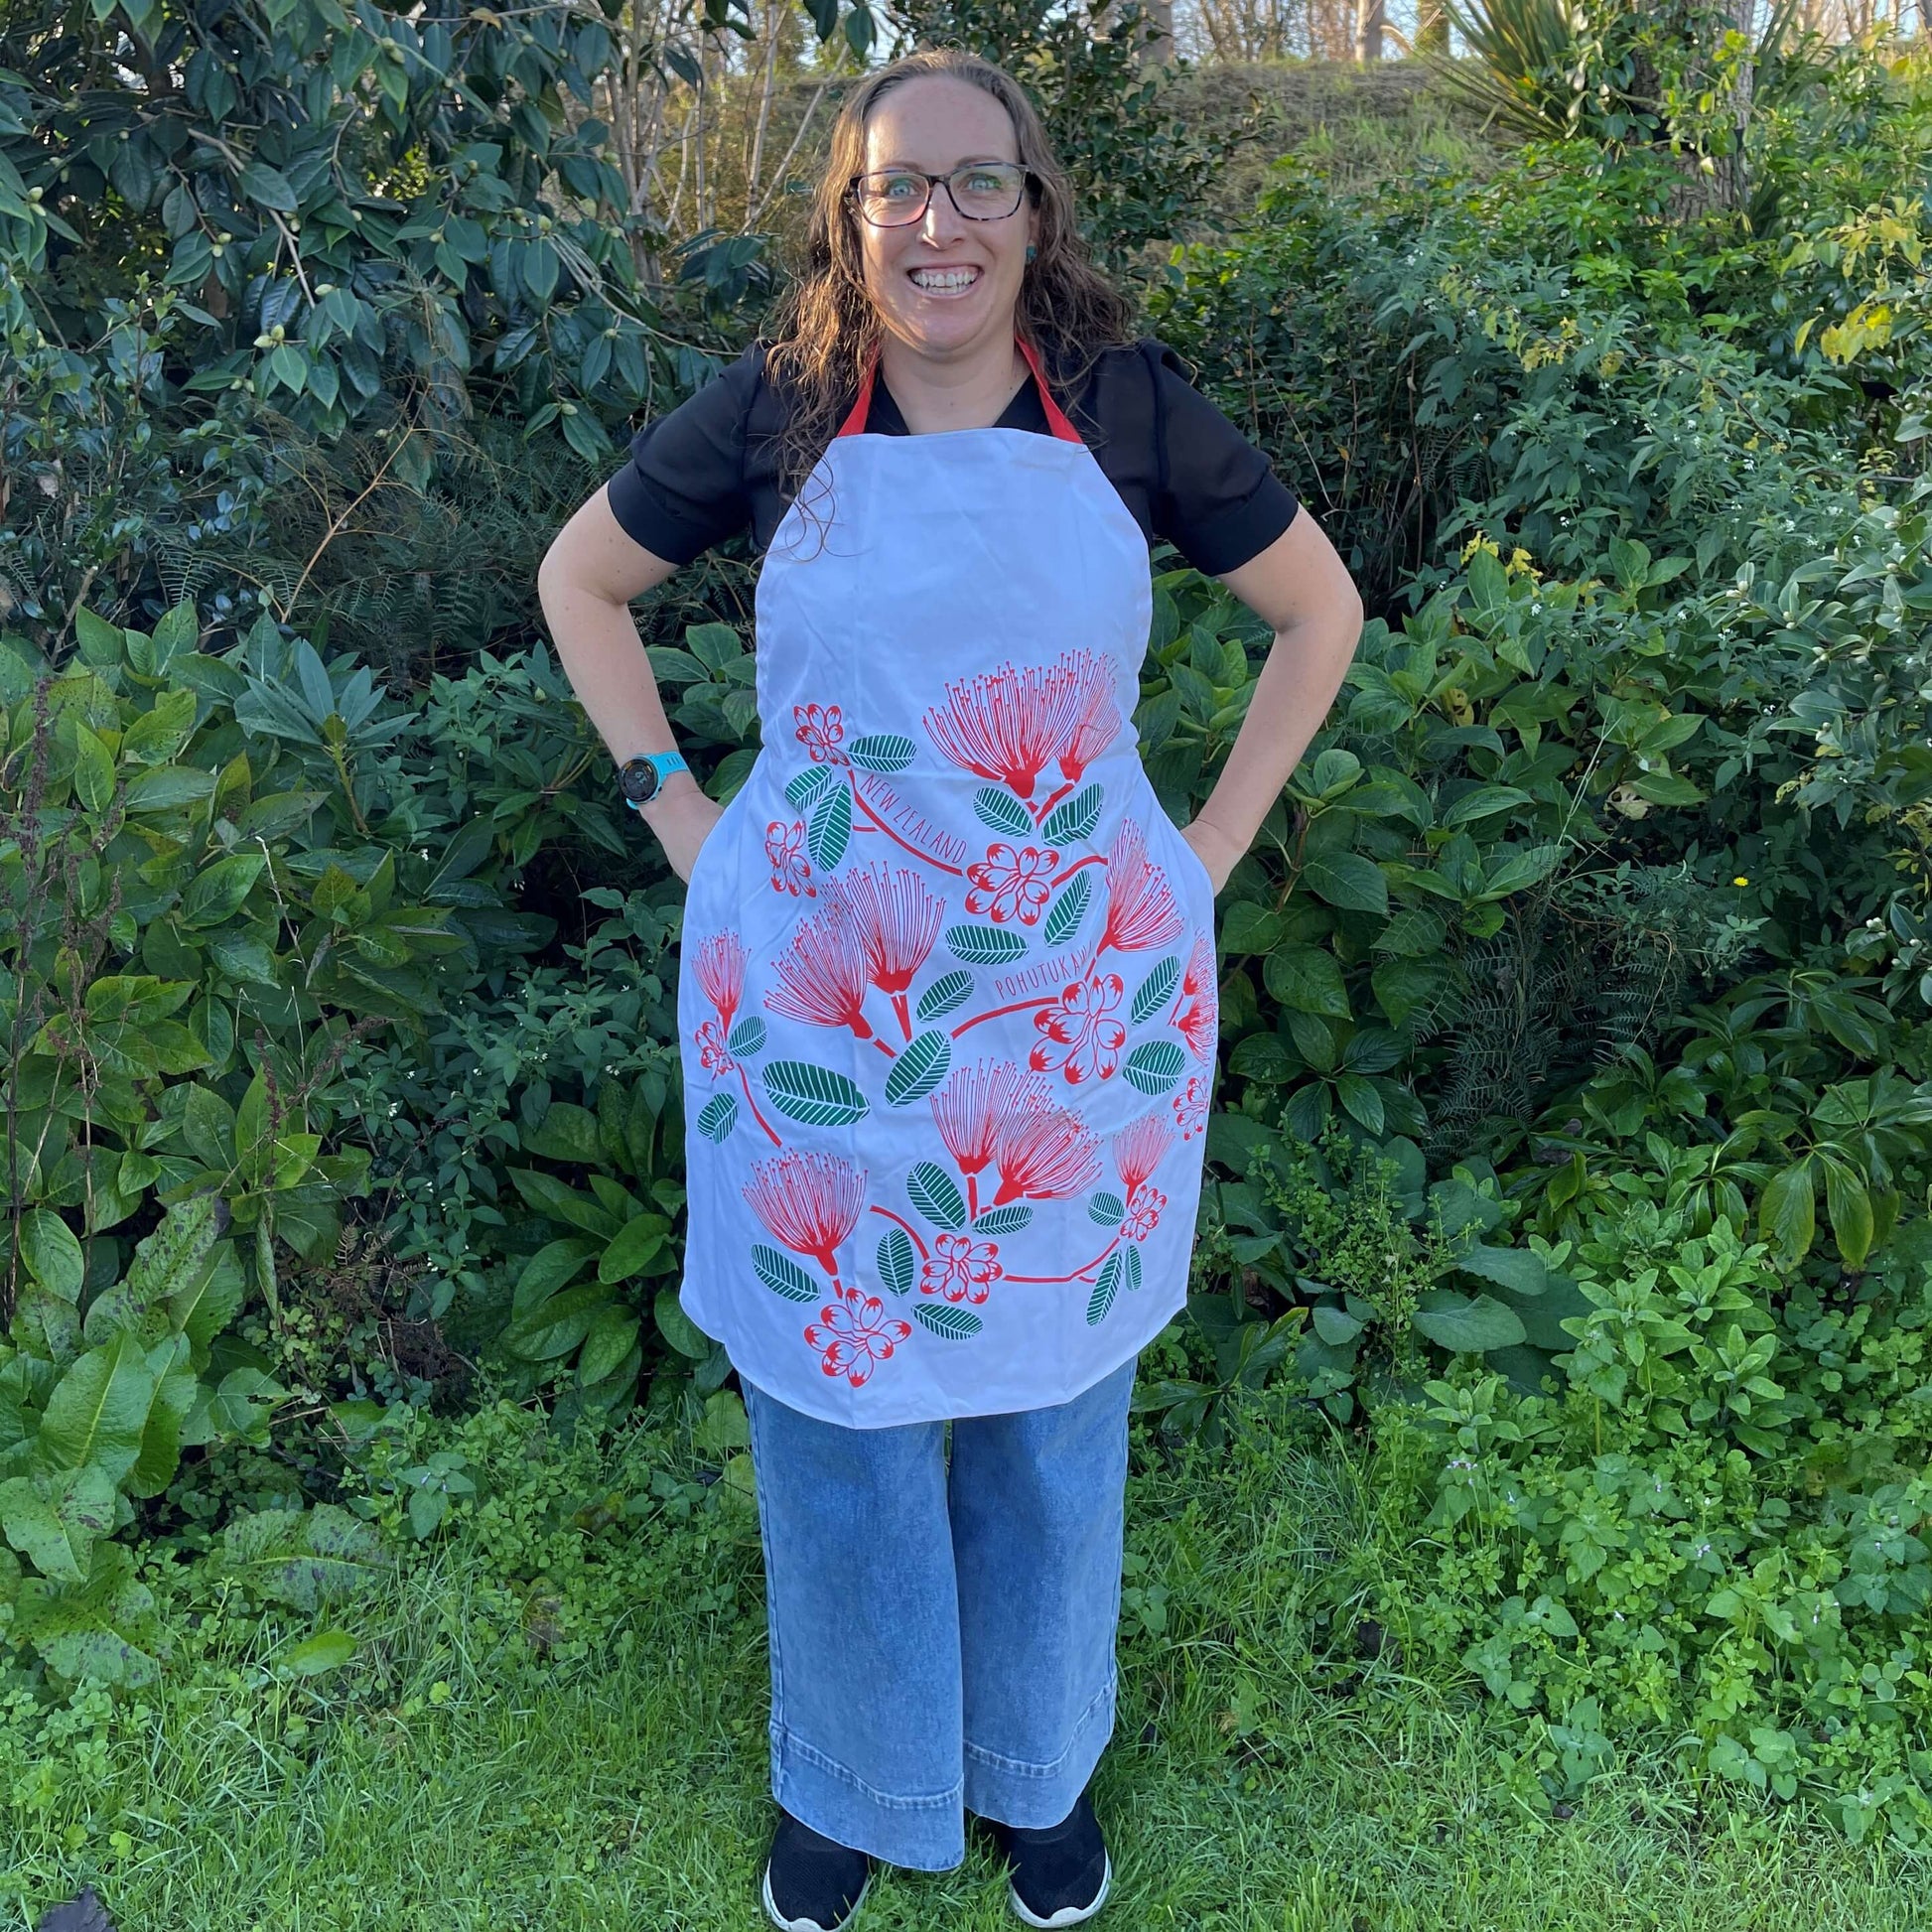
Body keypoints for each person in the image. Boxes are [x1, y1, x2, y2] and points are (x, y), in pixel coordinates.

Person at [536, 47, 1362, 1931]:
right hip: (819, 1003)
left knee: (1051, 1396)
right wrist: (686, 815)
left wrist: (1200, 856)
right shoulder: (776, 415)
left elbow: (1317, 613)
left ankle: (1036, 1776)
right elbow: (581, 583)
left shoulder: (1133, 412)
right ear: (849, 214)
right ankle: (854, 1781)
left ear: (1034, 209)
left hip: (1067, 997)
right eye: (900, 187)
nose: (939, 225)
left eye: (978, 184)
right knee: (839, 1408)